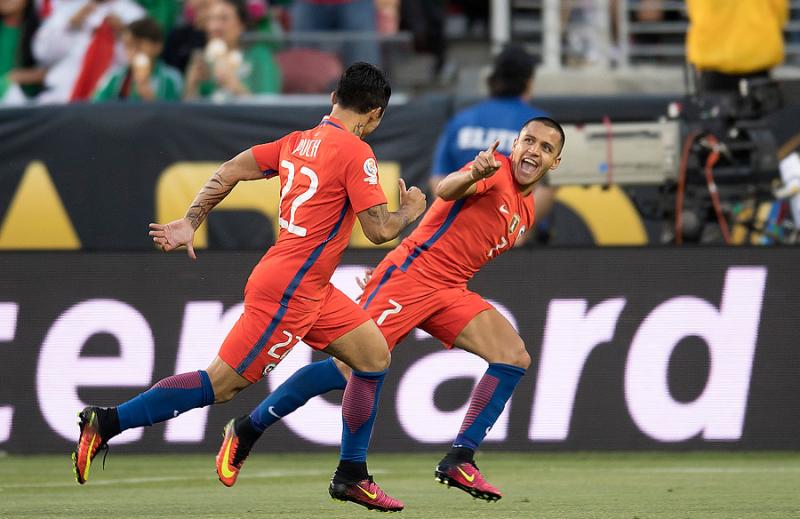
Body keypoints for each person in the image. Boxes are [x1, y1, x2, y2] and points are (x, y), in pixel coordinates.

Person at [71, 62, 427, 513]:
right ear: (374, 114)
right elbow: (378, 231)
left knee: (374, 356)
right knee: (220, 385)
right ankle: (107, 422)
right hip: (291, 291)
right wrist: (410, 210)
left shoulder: (295, 142)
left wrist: (192, 219)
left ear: (333, 98)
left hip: (311, 285)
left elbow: (232, 169)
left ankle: (351, 475)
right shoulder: (357, 153)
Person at [215, 116, 565, 502]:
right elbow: (446, 190)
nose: (534, 150)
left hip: (450, 289)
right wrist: (472, 174)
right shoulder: (493, 169)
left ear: (555, 162)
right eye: (529, 141)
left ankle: (460, 458)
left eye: (546, 148)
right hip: (411, 277)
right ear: (515, 145)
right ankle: (248, 429)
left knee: (513, 356)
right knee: (346, 368)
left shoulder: (527, 209)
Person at [32, 0, 145, 103]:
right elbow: (42, 55)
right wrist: (69, 26)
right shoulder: (68, 9)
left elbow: (141, 61)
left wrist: (124, 33)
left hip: (106, 99)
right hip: (59, 96)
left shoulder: (134, 14)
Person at [183, 0, 280, 100]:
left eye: (224, 19)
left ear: (242, 24)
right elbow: (189, 106)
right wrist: (191, 86)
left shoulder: (259, 56)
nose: (214, 27)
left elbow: (269, 104)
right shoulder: (203, 62)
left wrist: (233, 85)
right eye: (210, 19)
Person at [686, 0, 788, 93]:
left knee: (711, 104)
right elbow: (779, 10)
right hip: (758, 54)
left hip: (713, 56)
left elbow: (695, 9)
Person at [92, 17, 183, 101]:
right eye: (128, 46)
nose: (133, 52)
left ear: (157, 46)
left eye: (138, 46)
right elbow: (96, 106)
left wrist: (150, 97)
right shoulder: (115, 77)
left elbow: (176, 111)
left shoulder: (171, 79)